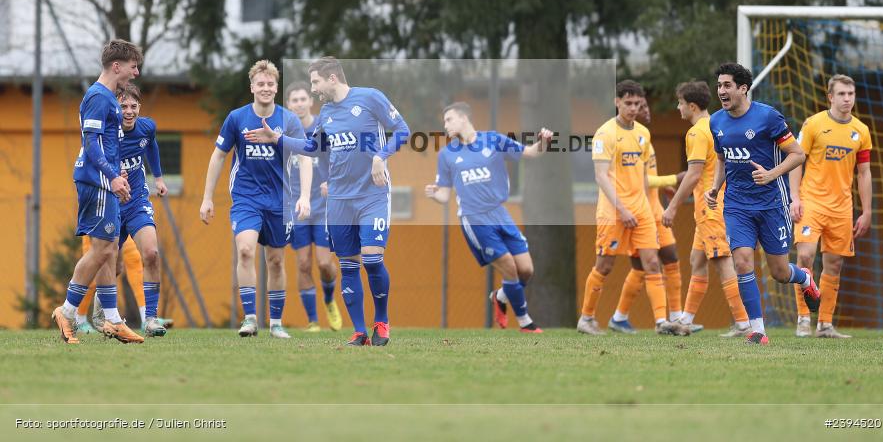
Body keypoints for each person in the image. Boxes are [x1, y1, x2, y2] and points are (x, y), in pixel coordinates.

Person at [245, 57, 410, 346]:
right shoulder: (328, 113)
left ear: (332, 78)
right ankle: (359, 332)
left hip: (372, 194)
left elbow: (404, 131)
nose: (313, 88)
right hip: (339, 199)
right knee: (347, 265)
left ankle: (381, 322)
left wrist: (380, 157)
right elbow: (312, 147)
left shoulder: (371, 98)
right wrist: (276, 139)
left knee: (372, 258)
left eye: (315, 82)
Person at [705, 63, 819, 345]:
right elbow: (722, 159)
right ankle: (758, 330)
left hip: (771, 204)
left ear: (743, 88)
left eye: (727, 85)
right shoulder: (716, 121)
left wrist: (771, 174)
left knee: (780, 272)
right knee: (742, 261)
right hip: (736, 204)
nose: (721, 91)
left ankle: (804, 278)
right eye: (719, 85)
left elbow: (797, 154)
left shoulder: (768, 117)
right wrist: (715, 187)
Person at [199, 60, 311, 339]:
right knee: (246, 250)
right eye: (260, 83)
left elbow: (306, 156)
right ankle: (249, 319)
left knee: (275, 260)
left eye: (270, 84)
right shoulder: (236, 118)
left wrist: (305, 196)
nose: (265, 88)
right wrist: (207, 198)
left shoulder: (289, 121)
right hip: (246, 196)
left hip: (280, 199)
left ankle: (276, 323)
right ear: (252, 87)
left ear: (276, 88)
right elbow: (219, 156)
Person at [424, 102, 552, 333]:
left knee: (526, 270)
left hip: (500, 214)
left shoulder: (493, 140)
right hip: (475, 219)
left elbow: (531, 153)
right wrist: (434, 194)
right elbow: (444, 195)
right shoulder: (447, 155)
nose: (445, 125)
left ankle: (500, 297)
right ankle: (526, 323)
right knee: (510, 268)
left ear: (464, 118)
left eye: (449, 119)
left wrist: (543, 142)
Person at [577, 80, 691, 336]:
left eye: (637, 104)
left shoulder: (642, 133)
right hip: (613, 212)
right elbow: (601, 176)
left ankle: (662, 322)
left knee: (652, 263)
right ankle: (586, 318)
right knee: (604, 266)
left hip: (641, 211)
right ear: (617, 102)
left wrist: (657, 190)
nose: (632, 108)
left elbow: (641, 175)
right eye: (627, 103)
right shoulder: (605, 134)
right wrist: (622, 210)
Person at [52, 39, 144, 344]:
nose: (136, 72)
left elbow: (106, 145)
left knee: (111, 250)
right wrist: (111, 178)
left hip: (105, 180)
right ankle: (66, 311)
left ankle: (113, 320)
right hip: (95, 183)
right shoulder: (98, 98)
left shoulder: (109, 99)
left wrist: (119, 172)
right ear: (116, 66)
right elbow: (91, 145)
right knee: (102, 250)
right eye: (133, 66)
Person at [661, 81, 751, 337]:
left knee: (723, 263)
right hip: (715, 205)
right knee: (697, 260)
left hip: (711, 207)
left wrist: (672, 207)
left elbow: (693, 174)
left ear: (691, 105)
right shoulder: (718, 125)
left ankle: (744, 323)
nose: (677, 108)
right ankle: (685, 321)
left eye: (679, 103)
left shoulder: (697, 133)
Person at [790, 74, 872, 338]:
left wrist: (867, 211)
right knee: (804, 257)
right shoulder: (813, 124)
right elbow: (795, 159)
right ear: (830, 97)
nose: (847, 99)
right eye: (841, 94)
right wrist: (795, 197)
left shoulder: (861, 131)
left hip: (842, 208)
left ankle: (825, 324)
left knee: (834, 265)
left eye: (851, 94)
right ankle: (803, 318)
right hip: (811, 202)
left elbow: (864, 174)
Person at [608, 98, 687, 333]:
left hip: (654, 208)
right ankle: (622, 317)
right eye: (638, 106)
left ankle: (675, 316)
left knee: (670, 257)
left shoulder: (645, 139)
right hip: (639, 211)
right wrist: (673, 179)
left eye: (643, 105)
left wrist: (662, 186)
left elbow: (647, 177)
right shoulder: (620, 138)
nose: (644, 110)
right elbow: (635, 180)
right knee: (644, 266)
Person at [284, 80, 342, 332]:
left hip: (323, 205)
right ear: (288, 104)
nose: (298, 104)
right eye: (294, 100)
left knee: (324, 264)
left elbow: (339, 154)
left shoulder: (324, 127)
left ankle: (329, 299)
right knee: (304, 264)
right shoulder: (283, 128)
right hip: (295, 205)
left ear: (311, 101)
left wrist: (333, 181)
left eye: (302, 99)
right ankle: (313, 321)